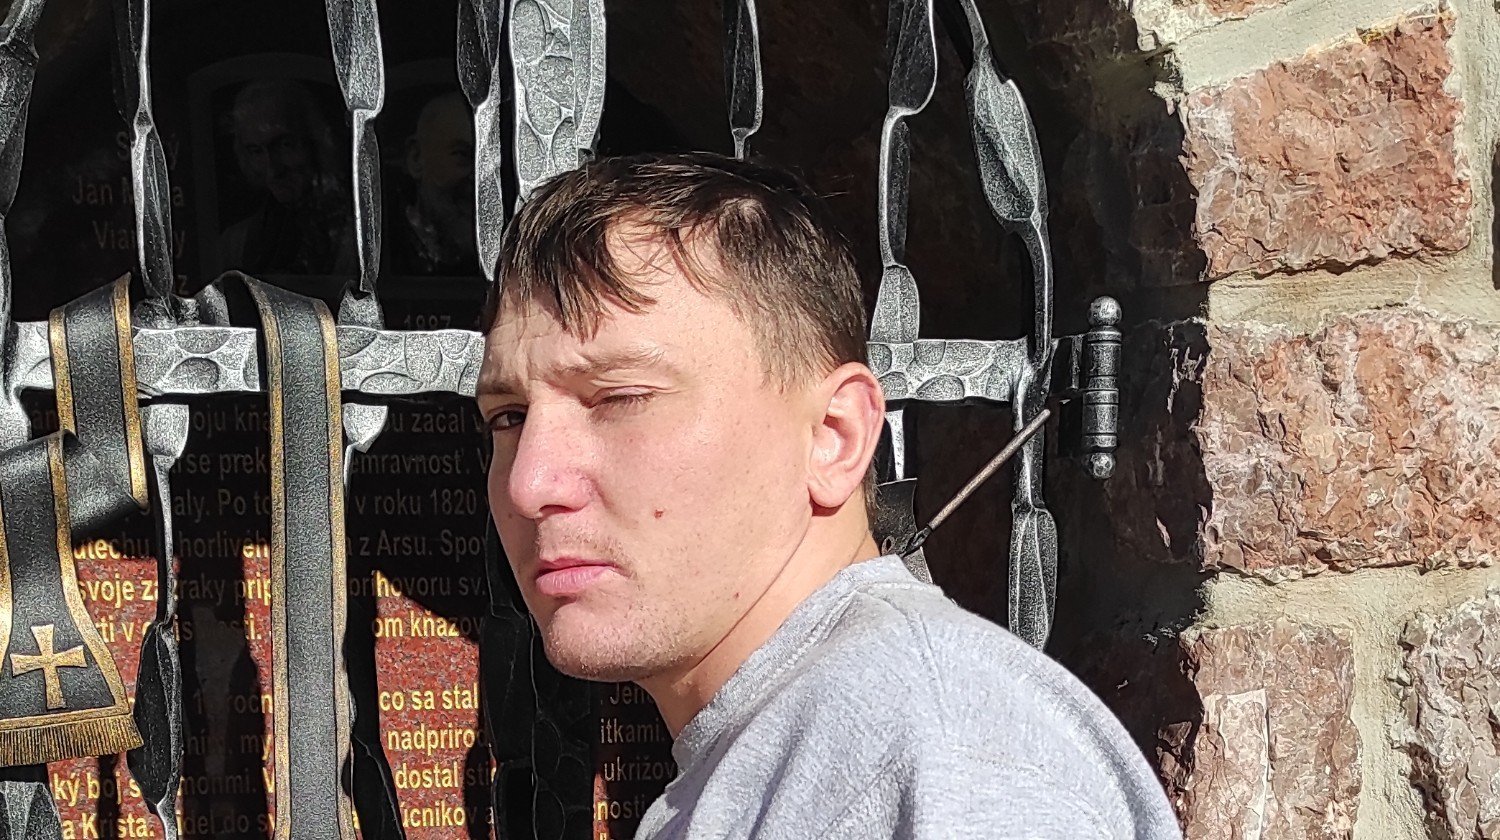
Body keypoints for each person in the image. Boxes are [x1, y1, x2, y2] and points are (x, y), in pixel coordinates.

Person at [475, 152, 1181, 839]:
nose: (529, 484)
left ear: (833, 437)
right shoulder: (820, 748)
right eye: (508, 417)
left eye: (621, 397)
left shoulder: (943, 752)